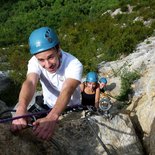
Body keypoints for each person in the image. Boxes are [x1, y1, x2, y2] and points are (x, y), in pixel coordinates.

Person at [11, 26, 83, 140]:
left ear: (58, 49)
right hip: (48, 105)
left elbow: (67, 90)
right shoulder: (34, 61)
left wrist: (52, 117)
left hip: (70, 108)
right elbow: (30, 82)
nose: (47, 64)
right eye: (41, 60)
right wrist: (21, 108)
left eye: (50, 57)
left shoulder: (74, 64)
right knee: (20, 126)